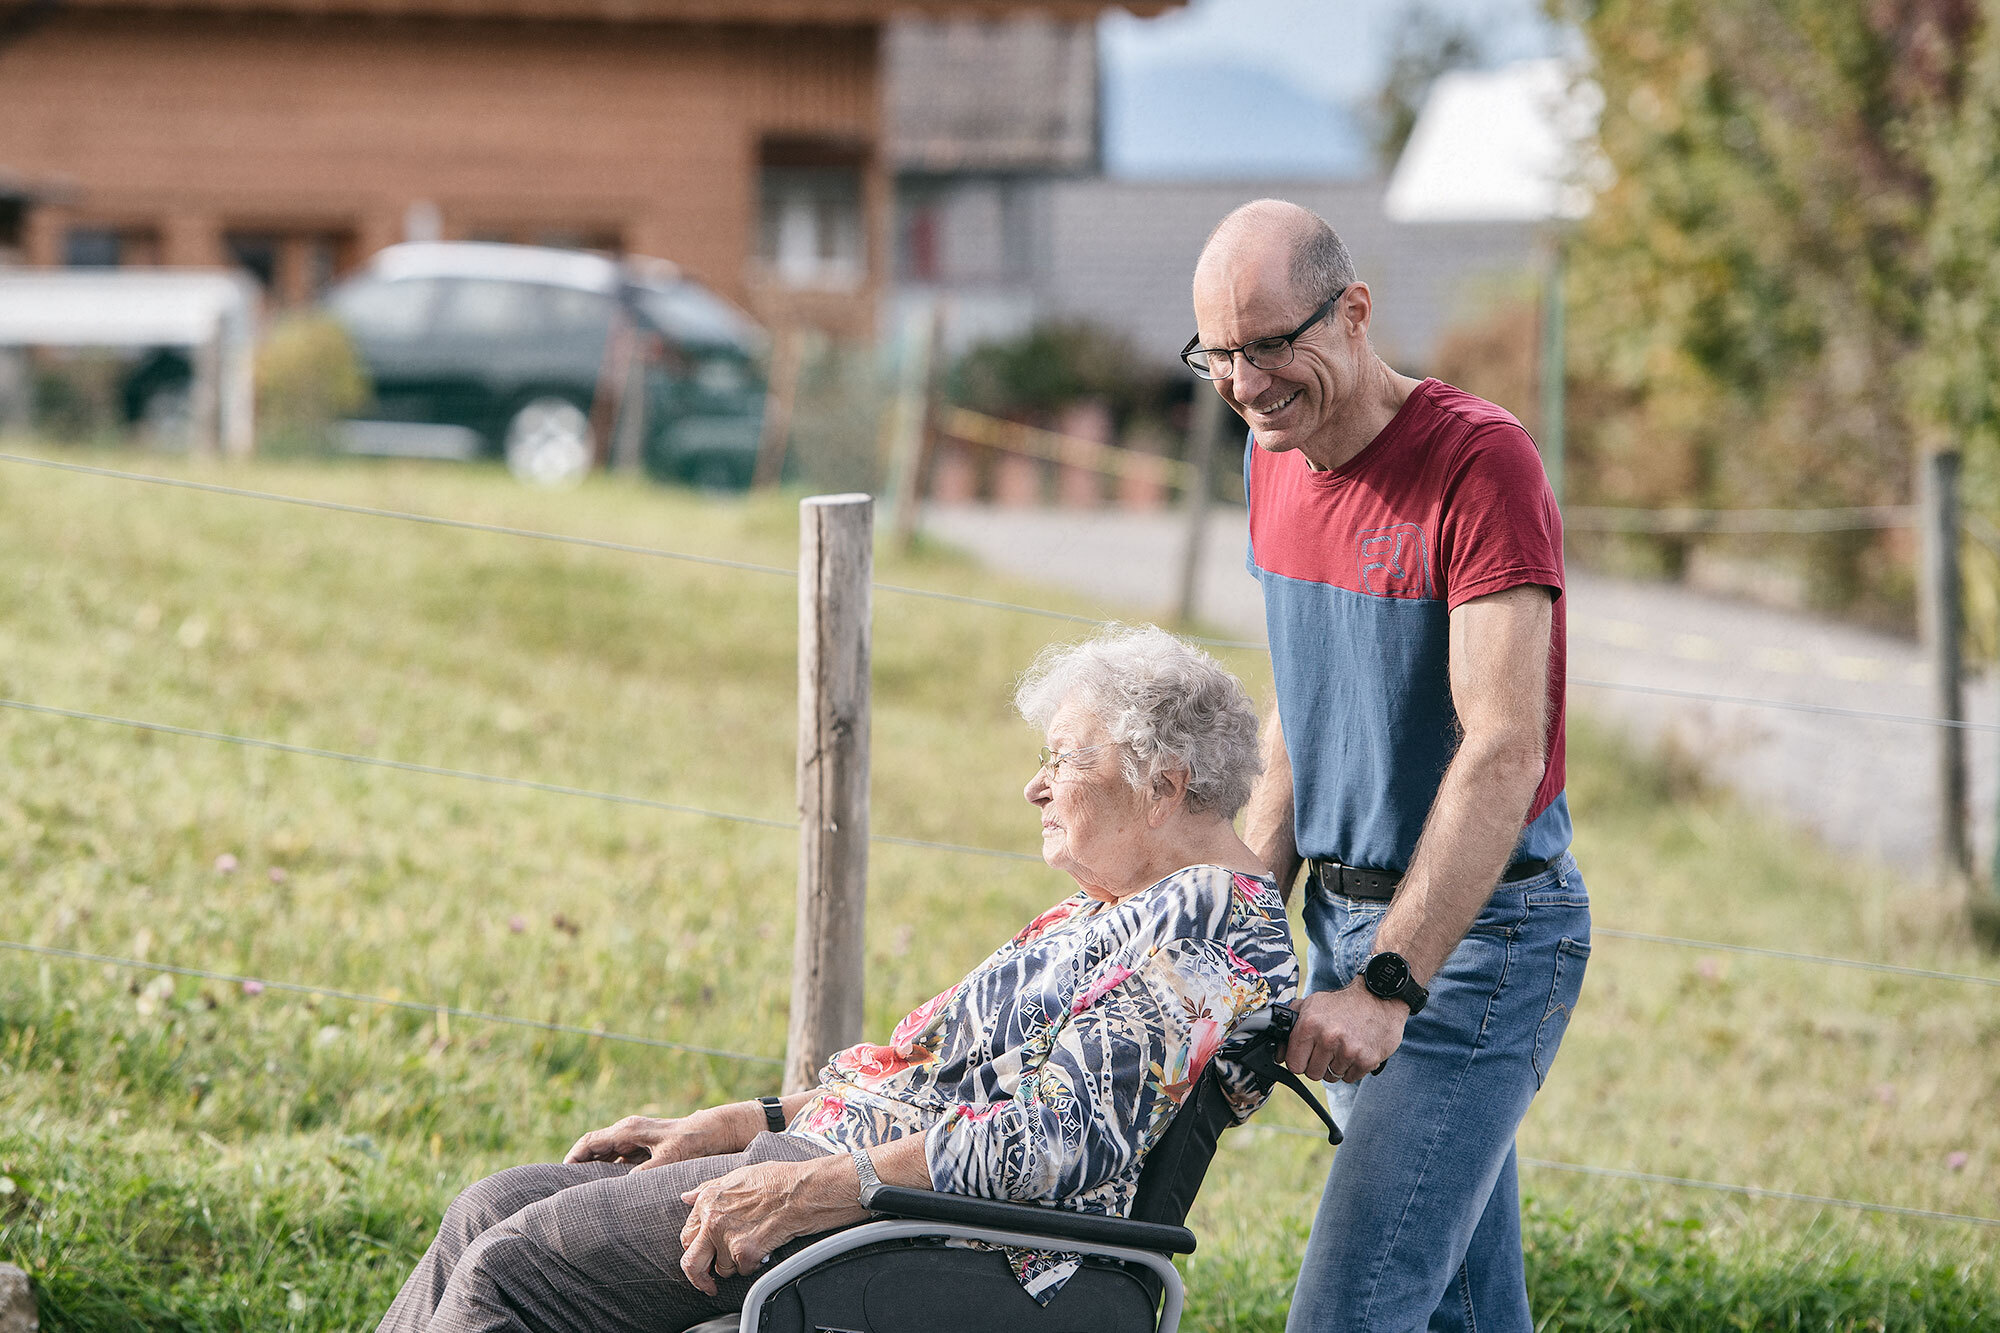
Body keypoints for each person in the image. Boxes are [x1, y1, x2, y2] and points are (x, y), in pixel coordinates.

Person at [377, 625, 1298, 1333]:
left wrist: (801, 1186)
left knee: (517, 1270)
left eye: (1065, 757)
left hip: (935, 1232)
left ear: (1164, 784)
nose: (1037, 785)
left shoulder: (1210, 928)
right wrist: (750, 1121)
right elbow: (923, 1074)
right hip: (855, 1180)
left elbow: (1046, 1143)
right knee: (487, 1209)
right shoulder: (1112, 907)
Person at [1184, 198, 1589, 1333]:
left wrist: (1388, 985)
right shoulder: (1276, 456)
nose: (1244, 381)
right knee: (1461, 1308)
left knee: (1349, 1312)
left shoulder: (1477, 461)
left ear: (1353, 312)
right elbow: (1302, 718)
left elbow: (1504, 744)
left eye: (1270, 344)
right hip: (1343, 925)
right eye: (1217, 353)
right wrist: (1239, 922)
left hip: (1482, 941)